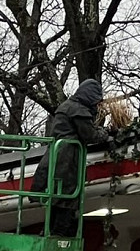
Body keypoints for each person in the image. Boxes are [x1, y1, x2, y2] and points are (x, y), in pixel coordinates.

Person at [31, 78, 110, 238]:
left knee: (57, 196)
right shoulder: (78, 110)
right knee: (68, 196)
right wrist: (105, 132)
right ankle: (59, 231)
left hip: (56, 155)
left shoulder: (66, 106)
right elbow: (90, 135)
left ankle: (49, 230)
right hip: (68, 157)